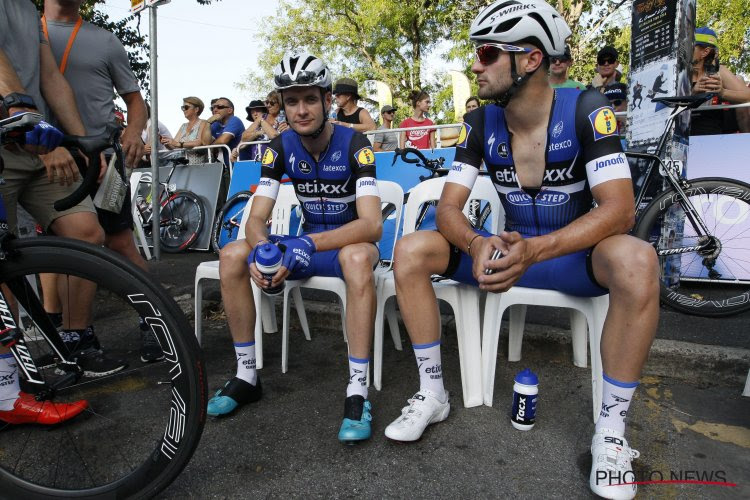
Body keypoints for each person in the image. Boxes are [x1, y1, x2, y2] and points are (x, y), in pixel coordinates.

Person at [383, 3, 659, 500]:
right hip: (506, 256)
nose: (475, 65)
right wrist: (475, 240)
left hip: (572, 259)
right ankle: (433, 393)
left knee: (637, 260)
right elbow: (448, 210)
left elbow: (619, 210)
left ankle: (612, 431)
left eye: (487, 54)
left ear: (530, 60)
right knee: (410, 250)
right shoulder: (478, 120)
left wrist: (538, 248)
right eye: (476, 54)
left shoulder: (586, 107)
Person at [209, 50, 383, 444]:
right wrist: (261, 252)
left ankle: (358, 389)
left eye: (309, 99)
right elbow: (255, 221)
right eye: (291, 101)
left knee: (357, 257)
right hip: (307, 244)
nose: (301, 110)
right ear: (283, 106)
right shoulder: (281, 147)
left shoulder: (357, 144)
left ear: (326, 100)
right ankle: (246, 375)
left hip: (348, 243)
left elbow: (371, 225)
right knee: (233, 253)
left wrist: (306, 241)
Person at [0, 0, 105, 424]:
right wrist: (18, 105)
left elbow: (49, 76)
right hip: (12, 125)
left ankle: (74, 335)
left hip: (32, 137)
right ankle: (9, 384)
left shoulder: (28, 9)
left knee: (86, 231)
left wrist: (81, 141)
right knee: (1, 262)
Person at [690, 27, 750, 136]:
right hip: (681, 132)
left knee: (740, 79)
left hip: (710, 134)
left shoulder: (719, 71)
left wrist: (722, 92)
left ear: (705, 52)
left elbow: (748, 96)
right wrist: (693, 93)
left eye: (691, 46)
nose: (685, 50)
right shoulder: (678, 71)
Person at [163, 96, 212, 163]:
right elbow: (174, 146)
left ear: (196, 109)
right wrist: (166, 143)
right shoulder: (183, 126)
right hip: (184, 165)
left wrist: (179, 144)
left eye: (186, 107)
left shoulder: (203, 123)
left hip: (200, 165)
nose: (184, 110)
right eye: (182, 108)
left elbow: (200, 142)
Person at [208, 96, 244, 165]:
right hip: (230, 165)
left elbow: (223, 140)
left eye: (219, 107)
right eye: (213, 108)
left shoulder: (235, 120)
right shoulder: (215, 124)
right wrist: (208, 123)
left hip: (243, 165)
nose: (214, 110)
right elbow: (205, 142)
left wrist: (211, 145)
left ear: (230, 110)